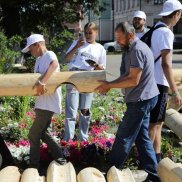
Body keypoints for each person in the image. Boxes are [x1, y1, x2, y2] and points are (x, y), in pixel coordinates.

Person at [96, 22, 161, 182]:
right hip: (145, 97)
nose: (117, 42)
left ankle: (111, 170)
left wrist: (109, 85)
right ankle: (153, 175)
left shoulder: (137, 50)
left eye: (120, 39)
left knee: (124, 136)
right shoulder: (131, 48)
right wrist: (110, 82)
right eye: (116, 39)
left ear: (130, 35)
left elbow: (133, 80)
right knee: (141, 137)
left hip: (141, 100)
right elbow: (127, 74)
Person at [21, 34, 66, 170]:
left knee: (33, 134)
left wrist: (42, 82)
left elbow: (54, 64)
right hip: (42, 103)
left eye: (31, 49)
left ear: (37, 45)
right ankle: (62, 159)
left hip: (49, 102)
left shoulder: (49, 55)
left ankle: (34, 165)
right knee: (42, 133)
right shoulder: (39, 59)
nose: (30, 52)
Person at [149, 0, 182, 163]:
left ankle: (157, 158)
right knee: (154, 125)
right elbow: (166, 63)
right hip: (159, 83)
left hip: (149, 82)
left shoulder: (155, 28)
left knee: (158, 123)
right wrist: (175, 91)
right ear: (176, 14)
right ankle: (147, 160)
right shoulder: (167, 33)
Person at [63, 22, 106, 141]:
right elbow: (66, 59)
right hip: (73, 77)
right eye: (86, 33)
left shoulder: (100, 48)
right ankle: (68, 139)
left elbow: (103, 69)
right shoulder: (77, 43)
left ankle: (83, 139)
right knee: (71, 111)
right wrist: (76, 46)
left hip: (88, 78)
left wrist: (97, 66)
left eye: (90, 33)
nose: (87, 35)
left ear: (96, 33)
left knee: (84, 111)